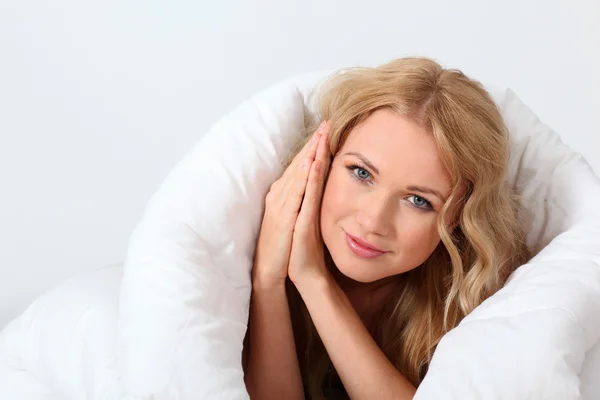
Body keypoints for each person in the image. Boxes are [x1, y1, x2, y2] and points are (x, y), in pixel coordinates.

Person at [242, 57, 529, 400]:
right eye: (361, 173)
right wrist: (267, 281)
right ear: (322, 160)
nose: (373, 222)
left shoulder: (474, 306)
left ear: (456, 218)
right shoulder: (243, 259)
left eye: (418, 201)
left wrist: (313, 280)